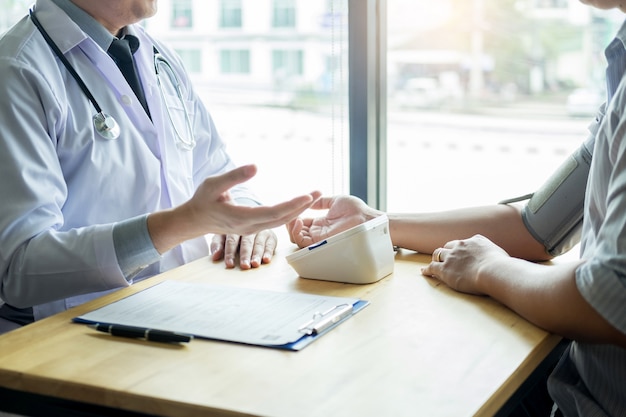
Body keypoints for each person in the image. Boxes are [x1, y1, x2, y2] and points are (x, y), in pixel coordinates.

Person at [287, 1, 626, 416]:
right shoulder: (621, 66)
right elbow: (536, 229)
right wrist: (376, 224)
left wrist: (488, 269)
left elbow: (609, 297)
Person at [0, 0, 320, 332]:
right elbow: (19, 268)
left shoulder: (157, 57)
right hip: (69, 337)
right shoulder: (17, 70)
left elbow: (214, 169)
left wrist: (244, 219)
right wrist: (177, 225)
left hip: (181, 310)